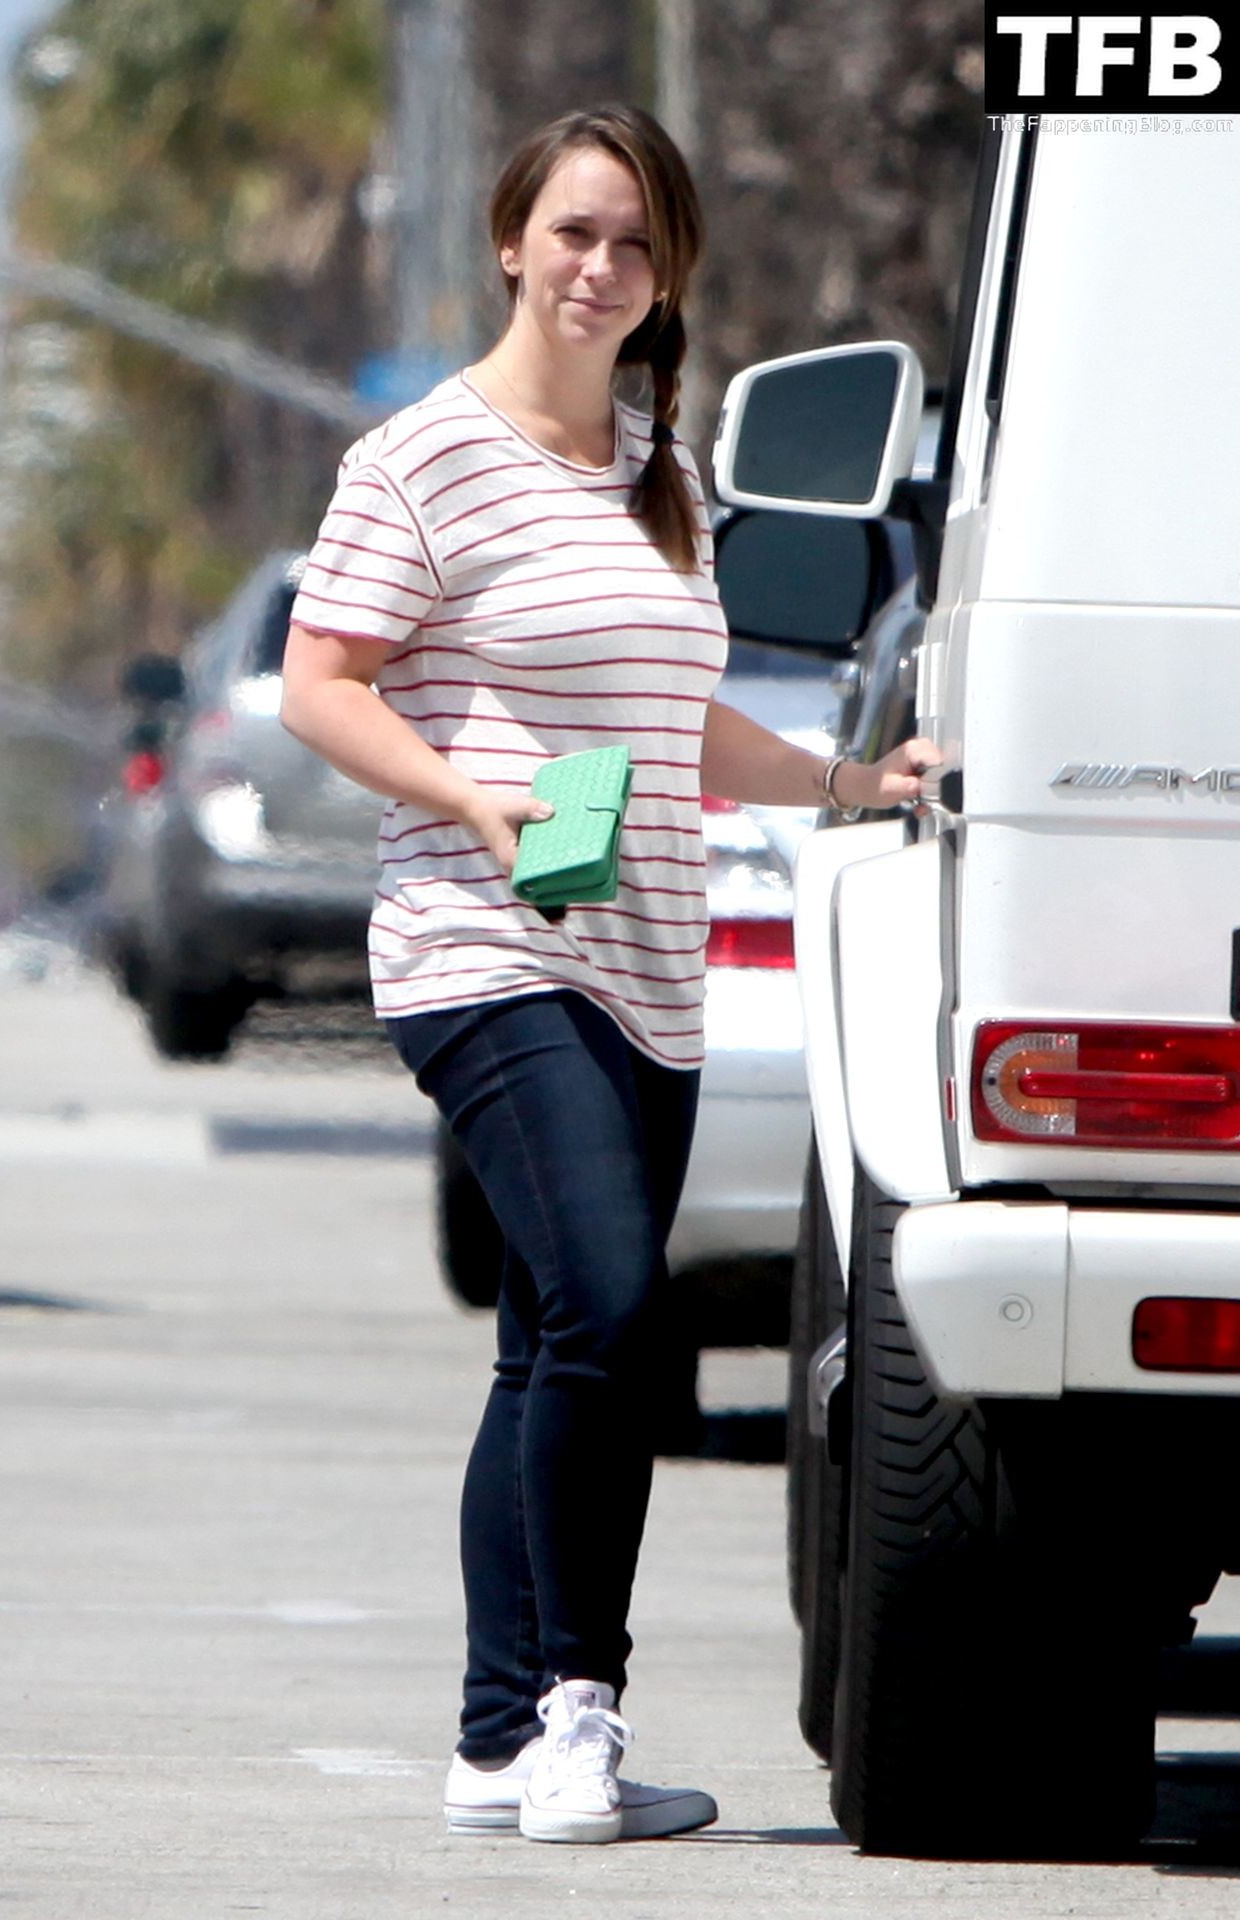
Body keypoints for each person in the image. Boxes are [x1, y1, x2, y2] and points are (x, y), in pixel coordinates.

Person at [281, 102, 940, 1847]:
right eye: (575, 232)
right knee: (615, 1312)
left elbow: (675, 716)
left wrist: (852, 781)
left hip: (646, 956)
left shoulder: (663, 467)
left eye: (636, 243)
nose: (601, 267)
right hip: (483, 940)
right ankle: (582, 1714)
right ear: (513, 241)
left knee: (548, 1344)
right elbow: (321, 683)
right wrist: (470, 800)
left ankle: (494, 1741)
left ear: (668, 276)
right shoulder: (422, 457)